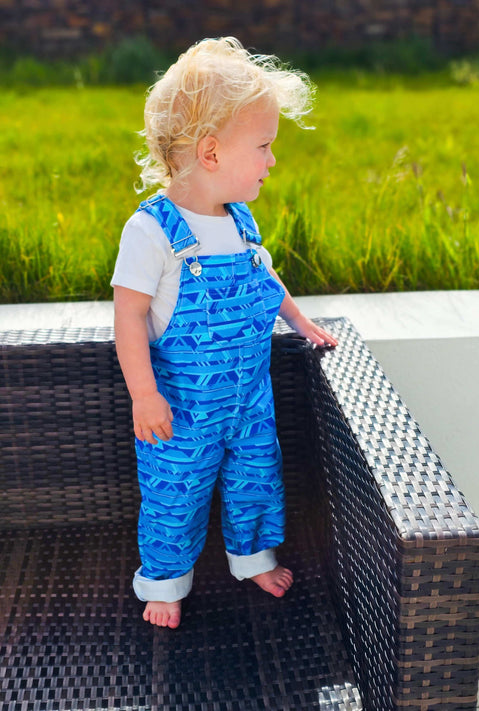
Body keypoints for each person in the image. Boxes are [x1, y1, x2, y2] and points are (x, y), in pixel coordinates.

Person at [112, 36, 337, 630]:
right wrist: (143, 394)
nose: (271, 160)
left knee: (258, 479)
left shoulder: (240, 220)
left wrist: (300, 321)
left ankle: (254, 558)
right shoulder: (152, 230)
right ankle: (163, 581)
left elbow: (265, 279)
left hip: (248, 398)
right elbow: (129, 316)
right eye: (263, 146)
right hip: (181, 408)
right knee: (174, 495)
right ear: (211, 153)